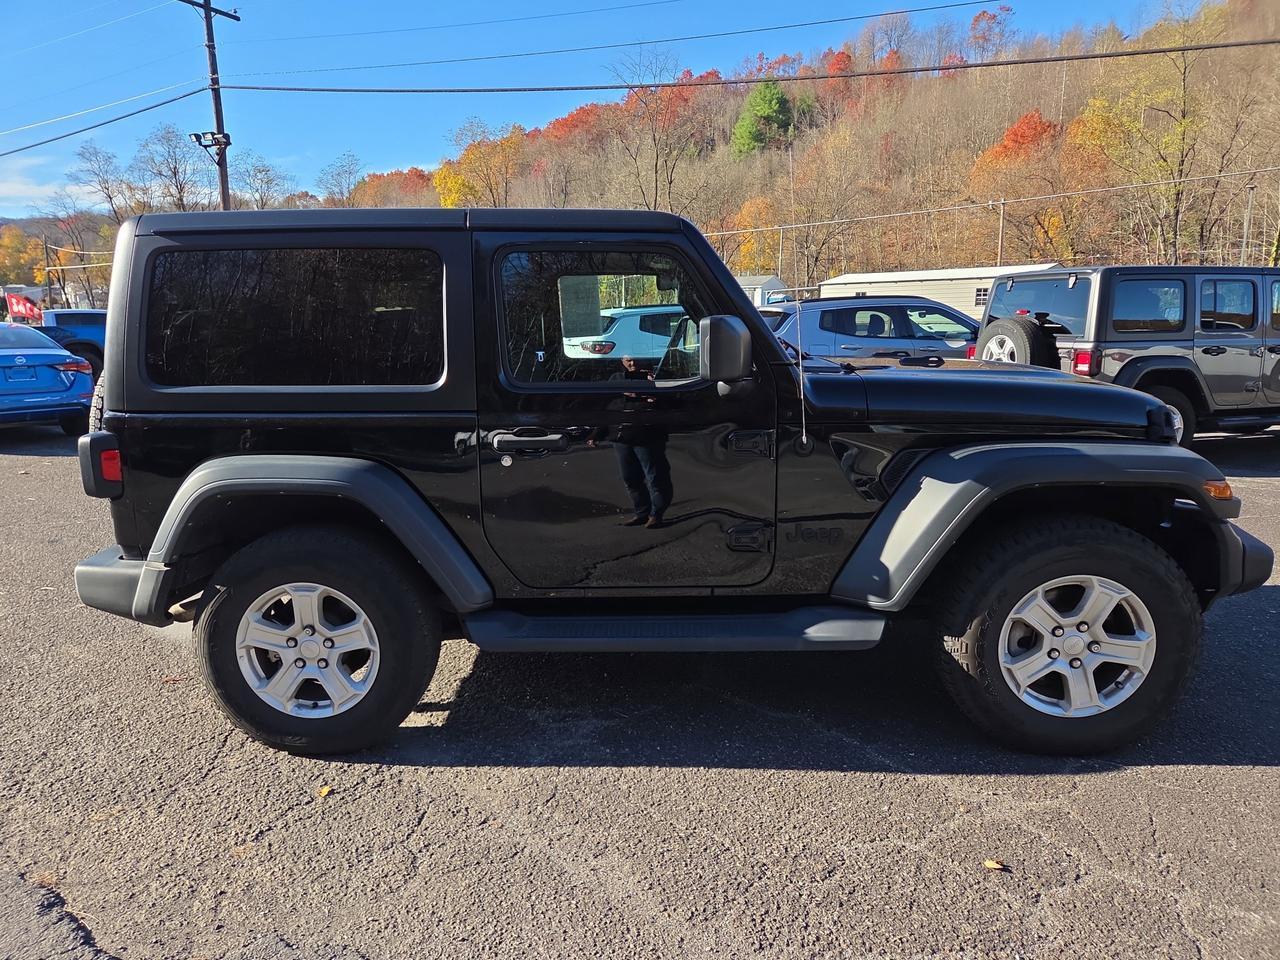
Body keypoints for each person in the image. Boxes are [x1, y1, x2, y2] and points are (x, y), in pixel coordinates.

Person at [589, 356, 673, 528]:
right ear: (621, 360)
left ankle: (657, 514)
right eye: (628, 360)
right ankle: (641, 512)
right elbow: (610, 408)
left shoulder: (660, 376)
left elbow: (678, 403)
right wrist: (597, 433)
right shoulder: (616, 379)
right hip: (621, 436)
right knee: (630, 478)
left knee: (656, 477)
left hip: (648, 436)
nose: (632, 363)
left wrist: (657, 395)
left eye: (636, 359)